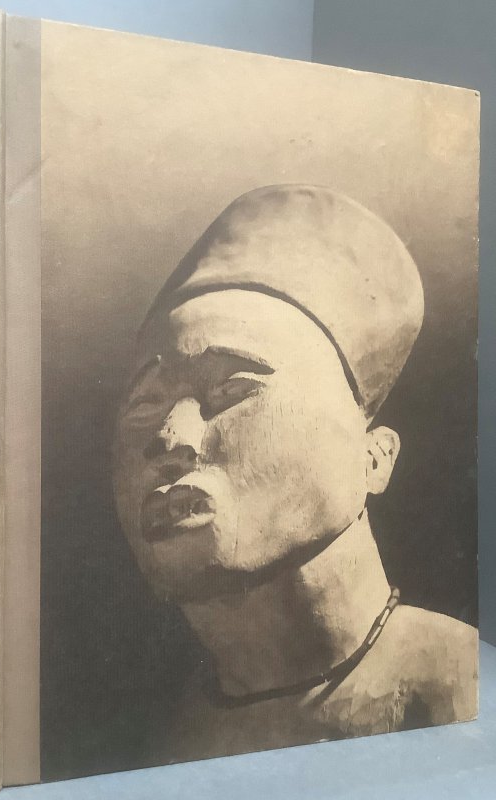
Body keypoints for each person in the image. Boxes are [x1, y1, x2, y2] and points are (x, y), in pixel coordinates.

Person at [112, 184, 477, 760]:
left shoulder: (464, 686)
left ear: (373, 457)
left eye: (233, 388)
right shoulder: (166, 732)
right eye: (144, 406)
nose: (170, 439)